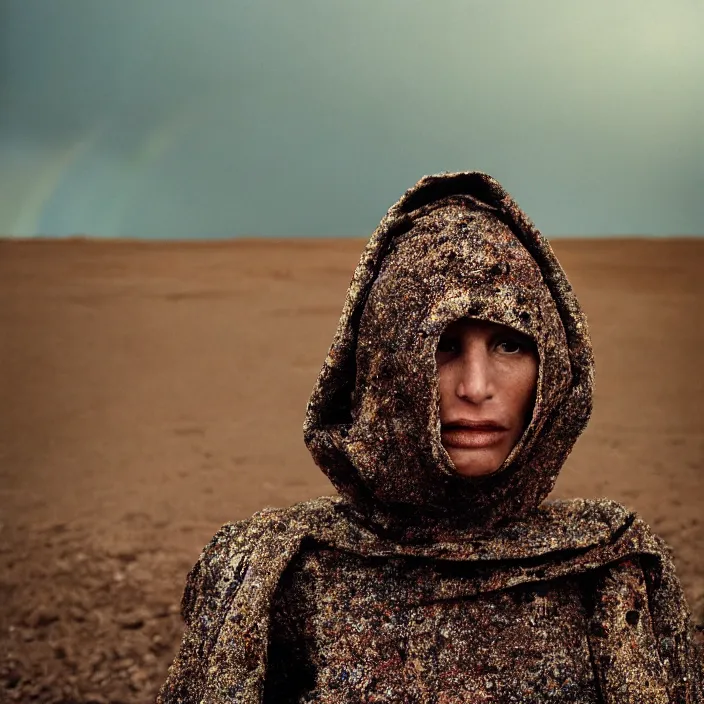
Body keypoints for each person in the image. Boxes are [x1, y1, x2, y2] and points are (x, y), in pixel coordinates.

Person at [158, 172, 704, 703]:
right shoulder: (275, 577)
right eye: (441, 345)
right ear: (386, 363)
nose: (475, 386)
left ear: (554, 367)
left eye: (510, 344)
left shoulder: (613, 570)